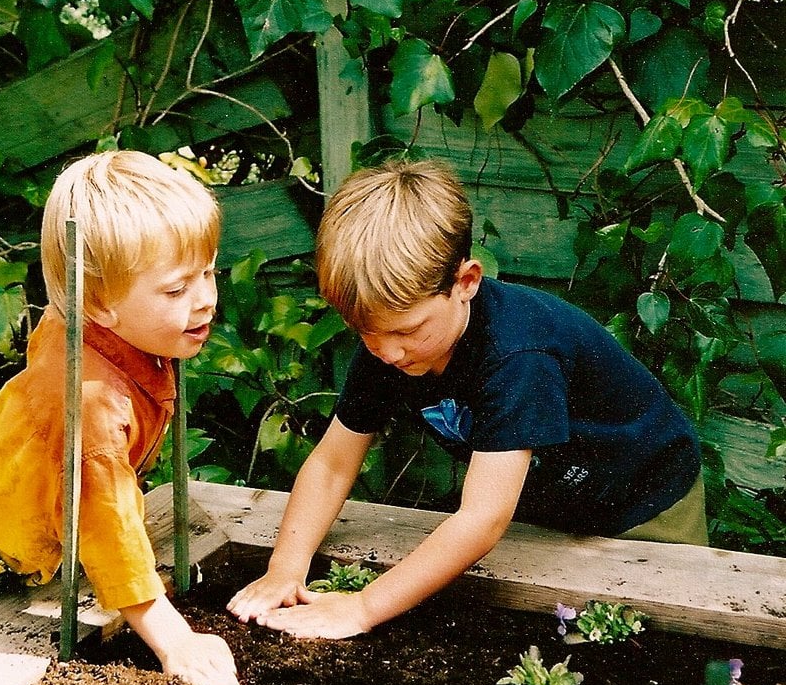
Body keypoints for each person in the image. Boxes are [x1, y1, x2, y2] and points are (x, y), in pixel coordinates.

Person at [228, 157, 707, 641]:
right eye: (365, 331)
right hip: (547, 507)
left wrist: (362, 608)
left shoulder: (518, 355)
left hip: (646, 503)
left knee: (666, 643)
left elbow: (482, 518)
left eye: (407, 330)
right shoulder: (388, 346)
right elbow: (333, 463)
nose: (387, 352)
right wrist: (285, 569)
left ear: (466, 282)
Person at [0, 150, 242, 685]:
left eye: (208, 272)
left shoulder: (105, 325)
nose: (206, 301)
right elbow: (103, 520)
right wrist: (174, 640)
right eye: (176, 290)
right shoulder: (87, 404)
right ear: (96, 304)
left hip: (37, 537)